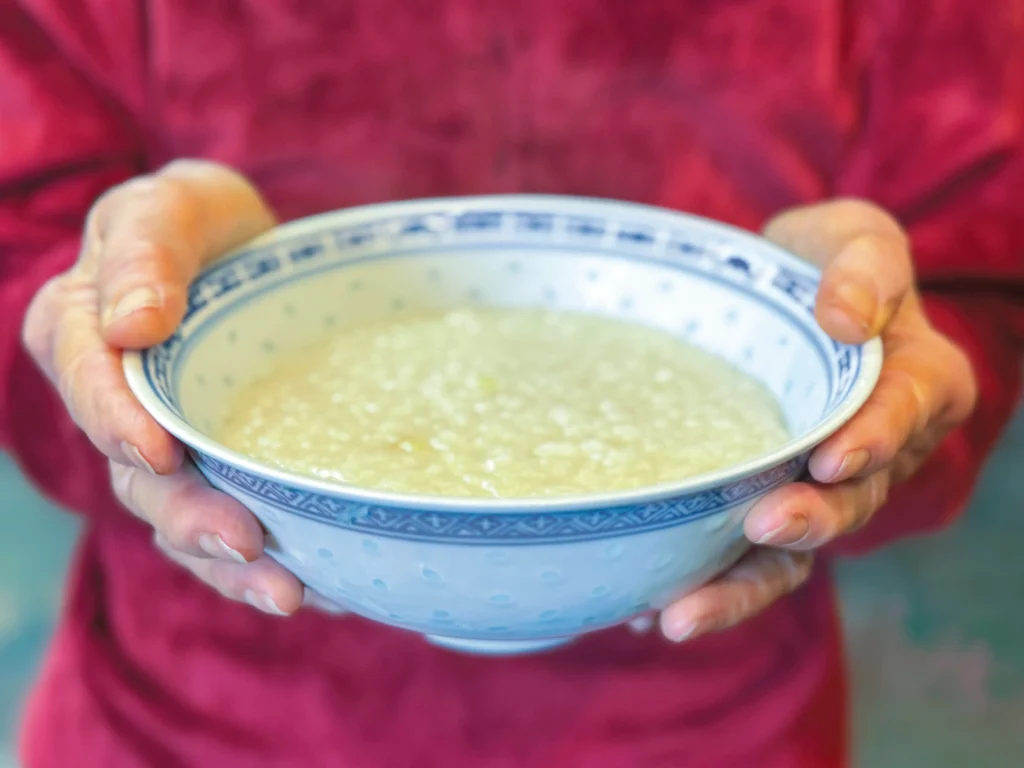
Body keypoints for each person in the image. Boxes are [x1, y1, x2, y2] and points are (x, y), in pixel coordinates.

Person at [1, 1, 1022, 766]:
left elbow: (975, 289)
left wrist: (887, 356)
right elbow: (22, 254)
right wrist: (93, 320)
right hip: (184, 721)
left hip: (710, 717)